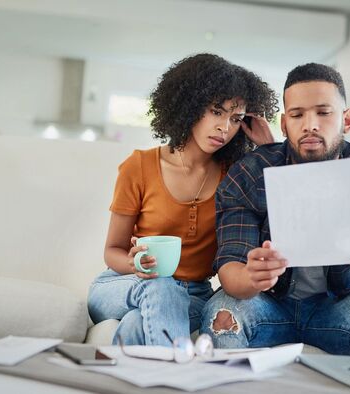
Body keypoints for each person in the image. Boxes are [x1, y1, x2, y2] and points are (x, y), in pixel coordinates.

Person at [199, 63, 350, 356]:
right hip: (266, 302)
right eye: (297, 115)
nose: (310, 125)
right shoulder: (250, 174)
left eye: (323, 112)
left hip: (339, 305)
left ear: (347, 119)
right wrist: (252, 277)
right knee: (222, 315)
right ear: (284, 125)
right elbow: (231, 271)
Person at [87, 53, 279, 346]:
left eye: (236, 118)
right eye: (216, 111)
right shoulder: (138, 166)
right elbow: (112, 250)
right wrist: (136, 263)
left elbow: (284, 211)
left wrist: (268, 149)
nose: (224, 127)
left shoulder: (236, 176)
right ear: (189, 105)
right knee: (160, 286)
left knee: (137, 323)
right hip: (123, 284)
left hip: (192, 295)